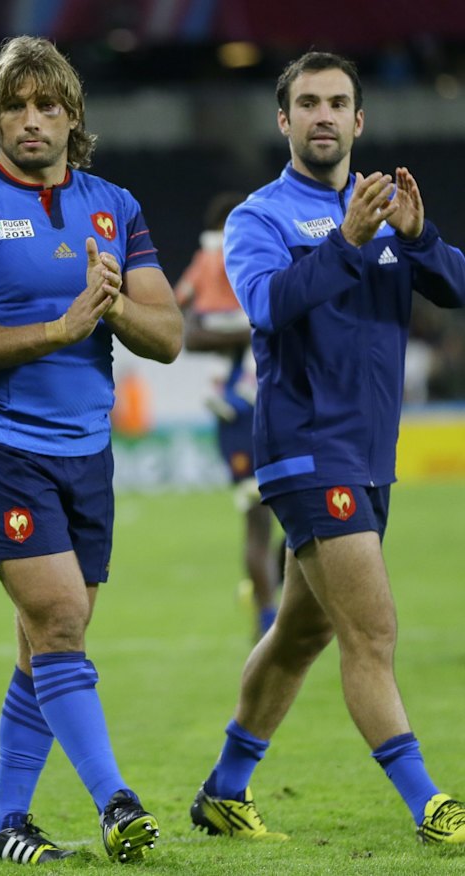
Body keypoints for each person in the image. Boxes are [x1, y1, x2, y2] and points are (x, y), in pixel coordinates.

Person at [0, 35, 183, 865]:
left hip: (85, 453)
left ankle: (5, 823)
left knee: (45, 642)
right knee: (61, 619)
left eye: (49, 104)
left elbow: (167, 334)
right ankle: (117, 802)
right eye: (15, 107)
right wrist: (59, 328)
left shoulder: (116, 206)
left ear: (74, 116)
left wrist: (111, 312)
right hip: (1, 447)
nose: (33, 121)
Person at [190, 51, 465, 846]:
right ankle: (429, 806)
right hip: (306, 452)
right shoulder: (257, 218)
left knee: (300, 634)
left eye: (337, 102)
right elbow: (270, 307)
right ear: (284, 121)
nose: (322, 115)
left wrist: (419, 238)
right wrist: (347, 243)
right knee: (372, 633)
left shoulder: (383, 210)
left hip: (369, 455)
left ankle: (224, 790)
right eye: (306, 102)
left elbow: (453, 285)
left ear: (358, 120)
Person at [175, 193, 283, 639]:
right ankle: (266, 614)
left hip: (260, 409)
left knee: (276, 520)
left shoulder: (212, 260)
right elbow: (190, 335)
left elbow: (182, 311)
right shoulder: (231, 255)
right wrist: (260, 325)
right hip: (246, 414)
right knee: (263, 520)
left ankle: (268, 604)